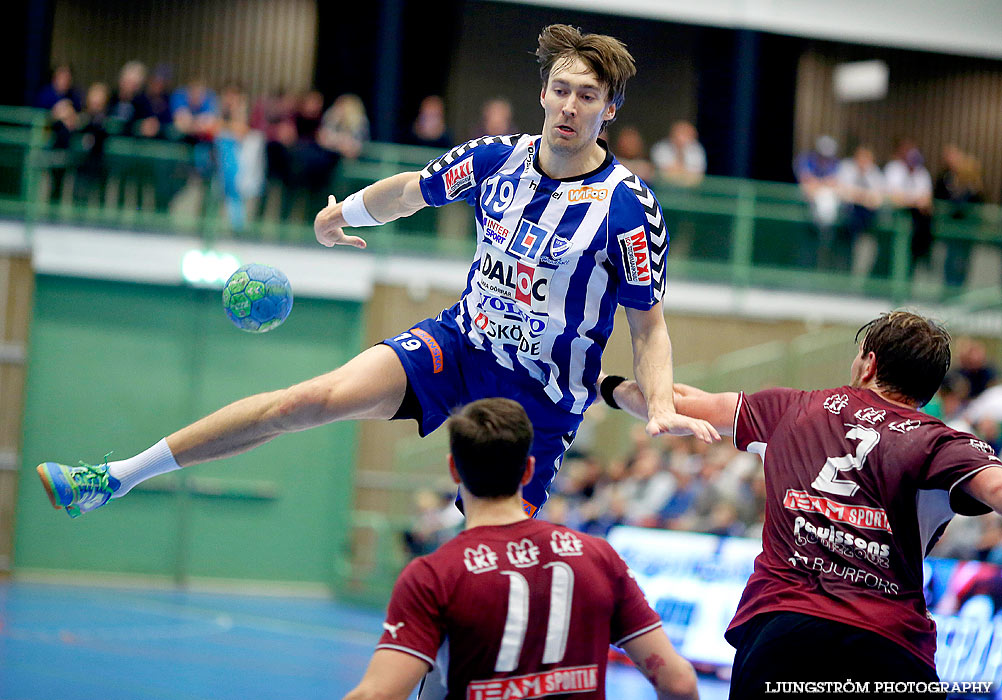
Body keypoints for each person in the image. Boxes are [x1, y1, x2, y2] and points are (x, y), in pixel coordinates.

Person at [37, 23, 716, 520]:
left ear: (610, 109)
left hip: (538, 400)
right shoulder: (493, 160)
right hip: (461, 345)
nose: (570, 107)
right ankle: (118, 477)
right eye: (561, 90)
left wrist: (657, 403)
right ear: (542, 93)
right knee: (302, 402)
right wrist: (346, 214)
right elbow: (414, 189)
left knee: (473, 561)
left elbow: (647, 326)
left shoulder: (629, 206)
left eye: (587, 96)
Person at [603, 310, 1002, 698]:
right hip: (890, 647)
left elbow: (674, 402)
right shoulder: (944, 443)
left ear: (869, 363)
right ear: (929, 388)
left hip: (785, 632)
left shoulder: (791, 408)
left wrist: (601, 383)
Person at [341, 397, 699, 700]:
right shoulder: (598, 557)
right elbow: (678, 681)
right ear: (529, 470)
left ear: (454, 470)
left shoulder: (436, 574)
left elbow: (378, 694)